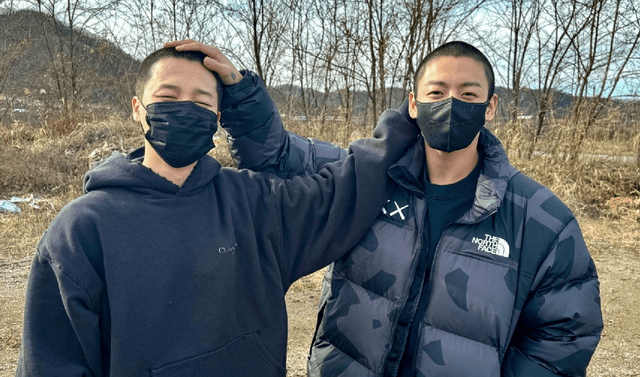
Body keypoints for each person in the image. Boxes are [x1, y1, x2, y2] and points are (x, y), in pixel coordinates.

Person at [15, 41, 419, 376]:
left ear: (217, 117)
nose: (185, 109)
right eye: (168, 97)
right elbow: (52, 363)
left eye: (201, 100)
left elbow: (345, 190)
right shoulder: (82, 229)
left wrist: (416, 114)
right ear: (138, 109)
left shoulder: (256, 203)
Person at [216, 40, 604, 376]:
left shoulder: (541, 220)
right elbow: (280, 155)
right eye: (437, 93)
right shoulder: (364, 178)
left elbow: (565, 332)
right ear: (413, 105)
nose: (452, 104)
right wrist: (240, 95)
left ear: (490, 107)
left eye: (468, 95)